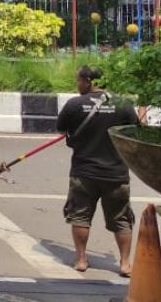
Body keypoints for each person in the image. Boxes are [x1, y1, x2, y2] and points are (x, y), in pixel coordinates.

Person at [56, 65, 139, 275]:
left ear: (88, 81)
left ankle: (81, 260)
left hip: (84, 173)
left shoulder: (74, 105)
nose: (77, 85)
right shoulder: (123, 104)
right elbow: (135, 131)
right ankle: (125, 264)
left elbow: (61, 128)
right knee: (121, 219)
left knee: (80, 217)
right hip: (116, 174)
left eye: (78, 81)